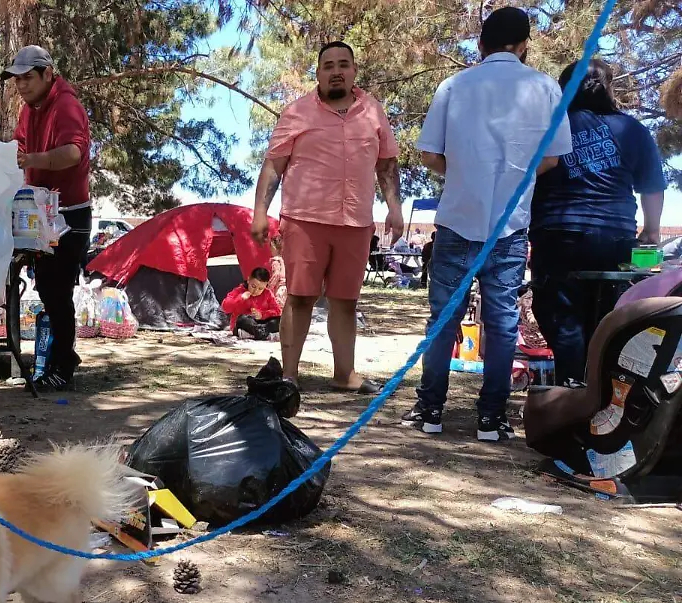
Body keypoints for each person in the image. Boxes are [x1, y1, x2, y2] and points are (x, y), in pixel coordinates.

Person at [405, 7, 572, 441]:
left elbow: (429, 153)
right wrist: (514, 177)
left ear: (480, 44)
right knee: (501, 324)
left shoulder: (453, 85)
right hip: (511, 226)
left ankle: (430, 409)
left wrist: (465, 173)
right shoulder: (546, 87)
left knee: (443, 320)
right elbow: (553, 158)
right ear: (524, 45)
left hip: (457, 219)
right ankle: (492, 417)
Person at [250, 41, 404, 394]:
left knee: (346, 301)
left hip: (356, 222)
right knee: (300, 297)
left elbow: (386, 165)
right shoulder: (297, 112)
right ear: (318, 73)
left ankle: (344, 375)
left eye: (343, 65)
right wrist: (260, 213)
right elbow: (273, 166)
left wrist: (394, 209)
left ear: (354, 71)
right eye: (328, 66)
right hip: (305, 220)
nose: (336, 71)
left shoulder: (374, 111)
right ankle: (290, 375)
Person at [529, 58, 668, 385]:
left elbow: (525, 177)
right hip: (615, 237)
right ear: (608, 89)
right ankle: (601, 390)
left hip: (557, 234)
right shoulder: (632, 129)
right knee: (610, 316)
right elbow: (652, 186)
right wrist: (652, 230)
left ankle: (573, 387)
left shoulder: (549, 127)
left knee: (561, 317)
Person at [4, 45, 92, 391]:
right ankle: (54, 360)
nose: (21, 85)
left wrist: (31, 160)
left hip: (69, 214)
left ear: (48, 74)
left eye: (28, 77)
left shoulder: (67, 105)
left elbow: (72, 153)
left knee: (58, 291)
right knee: (46, 288)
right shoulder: (29, 110)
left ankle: (63, 365)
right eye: (17, 80)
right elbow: (18, 147)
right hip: (40, 211)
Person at [222, 268, 283, 340]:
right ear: (248, 280)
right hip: (245, 324)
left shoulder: (267, 293)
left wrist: (262, 314)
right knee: (242, 318)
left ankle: (260, 332)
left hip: (261, 324)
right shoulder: (239, 291)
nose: (256, 291)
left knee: (280, 320)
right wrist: (240, 298)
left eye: (260, 289)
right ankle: (261, 332)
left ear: (265, 286)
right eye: (253, 286)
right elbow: (225, 308)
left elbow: (277, 311)